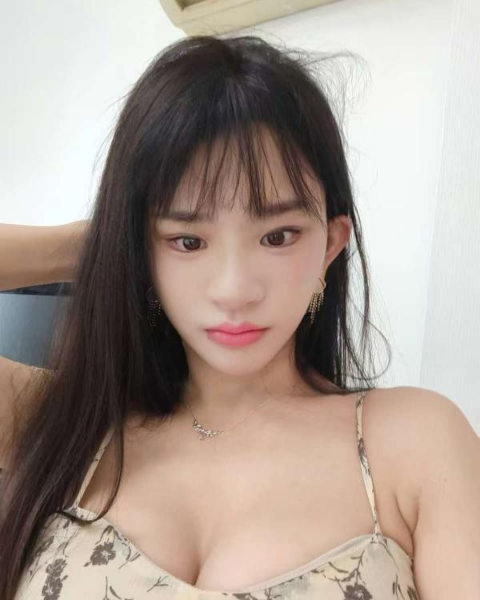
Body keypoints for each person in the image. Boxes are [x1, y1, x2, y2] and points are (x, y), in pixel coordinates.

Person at [0, 34, 479, 600]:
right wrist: (104, 245)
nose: (234, 290)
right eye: (188, 241)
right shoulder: (61, 423)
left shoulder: (413, 443)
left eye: (278, 236)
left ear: (330, 244)